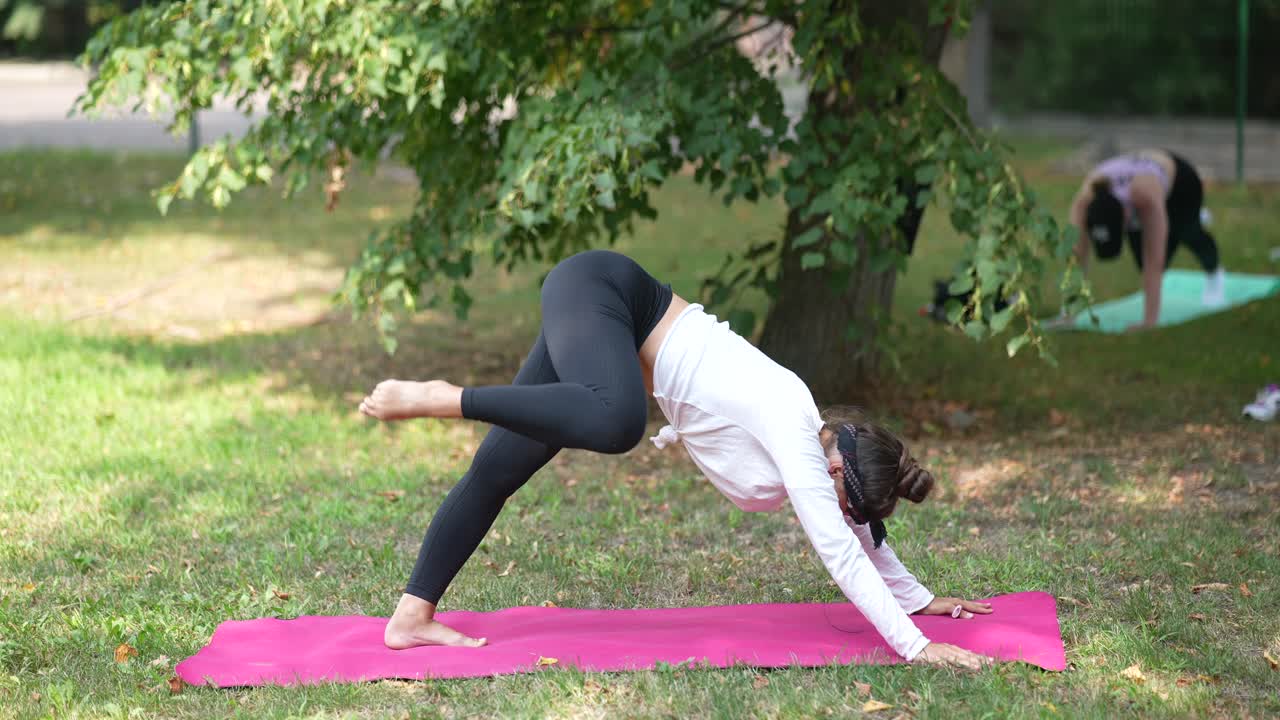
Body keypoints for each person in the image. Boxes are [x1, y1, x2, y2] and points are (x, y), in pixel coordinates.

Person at [359, 250, 993, 669]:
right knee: (617, 419)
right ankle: (447, 397)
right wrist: (917, 648)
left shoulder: (822, 445)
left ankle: (411, 618)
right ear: (836, 472)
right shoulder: (795, 434)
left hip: (605, 323)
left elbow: (860, 531)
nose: (842, 512)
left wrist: (916, 598)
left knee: (499, 469)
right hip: (602, 292)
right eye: (847, 500)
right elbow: (841, 549)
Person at [1068, 149, 1225, 330]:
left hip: (1181, 185)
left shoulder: (1145, 196)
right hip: (1139, 194)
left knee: (1189, 234)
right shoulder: (1084, 202)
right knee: (1143, 261)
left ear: (1126, 218)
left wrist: (1149, 322)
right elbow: (1076, 257)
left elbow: (1154, 262)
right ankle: (1175, 223)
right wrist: (1069, 313)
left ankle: (1213, 271)